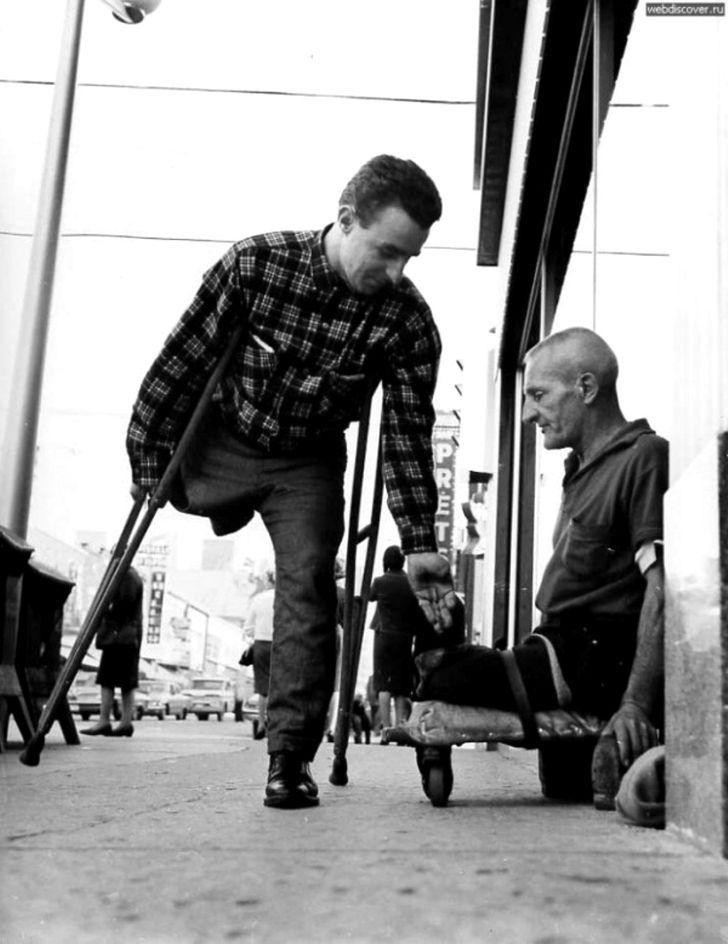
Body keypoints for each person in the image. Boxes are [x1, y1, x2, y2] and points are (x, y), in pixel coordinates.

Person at [125, 155, 458, 809]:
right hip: (221, 442)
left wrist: (420, 540)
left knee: (307, 583)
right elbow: (178, 366)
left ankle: (288, 758)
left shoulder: (407, 322)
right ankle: (226, 510)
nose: (395, 274)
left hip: (305, 462)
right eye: (387, 252)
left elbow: (405, 438)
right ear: (345, 220)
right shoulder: (255, 265)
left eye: (409, 260)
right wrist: (147, 465)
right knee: (180, 494)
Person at [416, 327, 667, 789]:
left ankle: (449, 646)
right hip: (559, 645)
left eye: (538, 395)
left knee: (442, 674)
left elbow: (663, 591)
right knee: (440, 665)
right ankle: (449, 631)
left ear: (586, 389)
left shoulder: (644, 458)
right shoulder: (580, 469)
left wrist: (635, 703)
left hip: (594, 656)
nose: (530, 412)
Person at [81, 566, 144, 738]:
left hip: (119, 636)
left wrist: (105, 610)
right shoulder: (132, 575)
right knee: (125, 681)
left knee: (107, 679)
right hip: (127, 636)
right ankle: (124, 722)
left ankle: (105, 720)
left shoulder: (127, 575)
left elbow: (123, 604)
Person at [369, 545, 422, 733]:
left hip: (383, 636)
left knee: (384, 685)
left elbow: (369, 596)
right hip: (405, 638)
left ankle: (386, 728)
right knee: (402, 686)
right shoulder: (412, 583)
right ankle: (400, 728)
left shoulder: (380, 582)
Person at [243, 571, 275, 740]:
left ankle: (262, 722)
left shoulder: (259, 599)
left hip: (261, 644)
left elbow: (248, 628)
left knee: (263, 689)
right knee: (279, 685)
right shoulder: (286, 599)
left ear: (268, 581)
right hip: (283, 644)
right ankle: (276, 722)